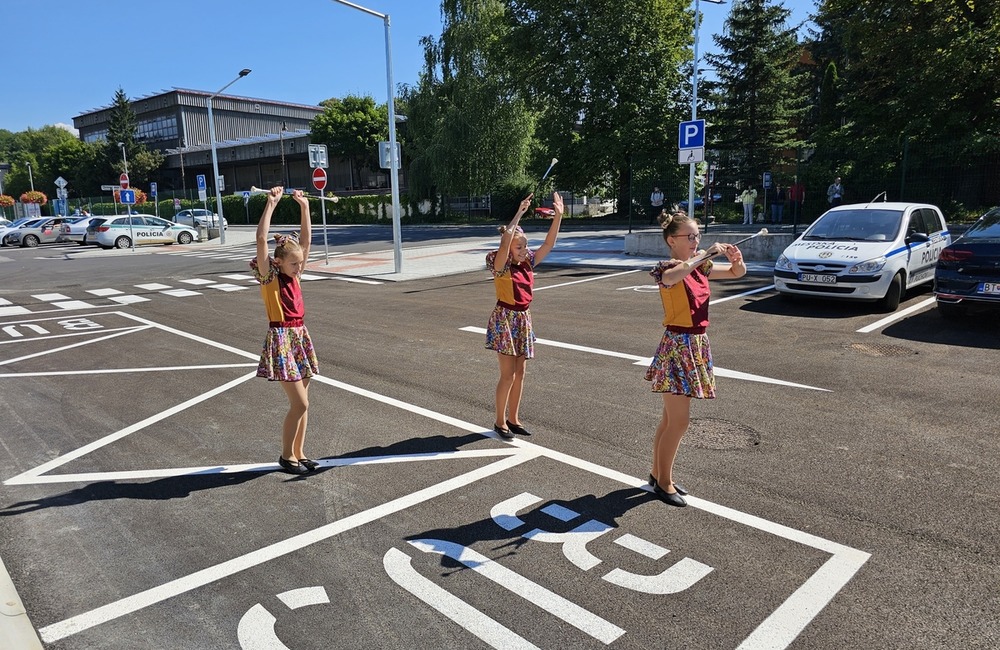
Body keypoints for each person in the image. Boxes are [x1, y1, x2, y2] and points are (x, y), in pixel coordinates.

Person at [645, 210, 746, 507]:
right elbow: (672, 276)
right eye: (689, 237)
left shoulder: (699, 267)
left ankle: (657, 473)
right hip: (678, 346)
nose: (695, 240)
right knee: (679, 421)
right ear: (671, 240)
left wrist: (736, 260)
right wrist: (702, 256)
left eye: (697, 236)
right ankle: (664, 483)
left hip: (696, 344)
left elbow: (736, 274)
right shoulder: (669, 266)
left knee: (669, 420)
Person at [250, 186, 319, 475]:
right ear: (278, 262)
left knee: (305, 403)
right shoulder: (269, 276)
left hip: (299, 335)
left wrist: (304, 206)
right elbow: (262, 238)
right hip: (281, 338)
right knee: (299, 404)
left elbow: (305, 241)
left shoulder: (295, 271)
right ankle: (285, 456)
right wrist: (272, 204)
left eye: (301, 263)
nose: (299, 267)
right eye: (294, 263)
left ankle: (299, 453)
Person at [486, 191, 565, 440]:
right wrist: (519, 212)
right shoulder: (499, 263)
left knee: (520, 373)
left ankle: (514, 418)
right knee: (507, 374)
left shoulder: (527, 261)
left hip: (523, 318)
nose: (524, 250)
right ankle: (500, 421)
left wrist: (558, 218)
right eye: (519, 246)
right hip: (505, 319)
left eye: (525, 245)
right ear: (509, 248)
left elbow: (549, 245)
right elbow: (505, 242)